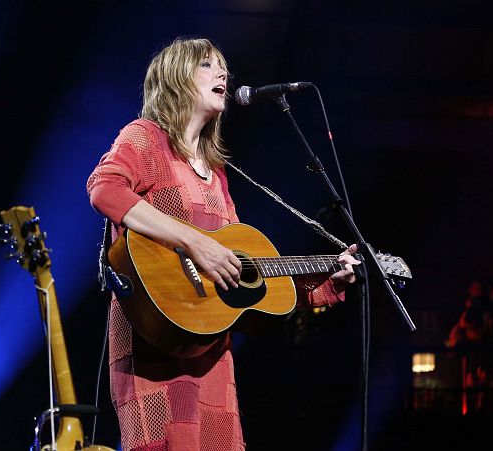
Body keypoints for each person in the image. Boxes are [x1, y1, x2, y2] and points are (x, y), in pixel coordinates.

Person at [86, 37, 360, 450]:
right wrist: (196, 244)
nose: (223, 74)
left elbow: (244, 280)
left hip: (210, 350)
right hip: (152, 341)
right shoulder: (145, 138)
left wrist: (325, 283)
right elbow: (104, 189)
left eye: (224, 67)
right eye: (208, 66)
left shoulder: (217, 173)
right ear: (176, 78)